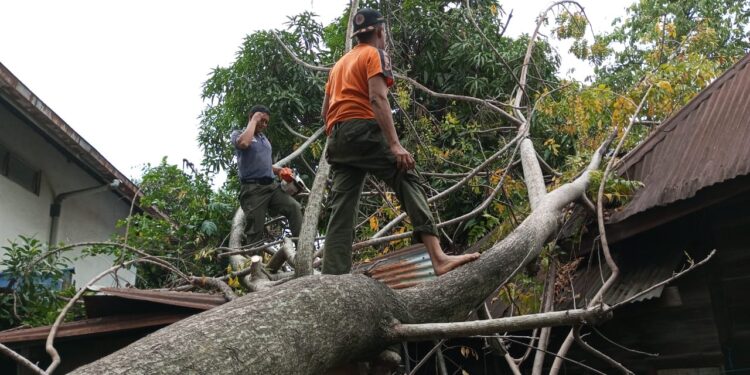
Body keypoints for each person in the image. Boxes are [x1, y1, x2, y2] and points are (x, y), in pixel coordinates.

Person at [320, 8, 480, 276]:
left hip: (337, 137)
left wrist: (342, 136)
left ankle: (332, 276)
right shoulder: (375, 54)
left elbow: (324, 113)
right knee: (406, 177)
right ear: (380, 32)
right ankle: (438, 258)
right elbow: (377, 98)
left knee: (342, 209)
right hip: (362, 129)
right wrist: (394, 144)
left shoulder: (339, 65)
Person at [231, 105, 303, 246]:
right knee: (255, 232)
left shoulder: (263, 138)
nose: (264, 124)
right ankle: (254, 265)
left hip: (272, 186)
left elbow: (264, 164)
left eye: (266, 122)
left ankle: (302, 249)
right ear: (251, 117)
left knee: (294, 207)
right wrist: (254, 120)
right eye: (261, 120)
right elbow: (244, 143)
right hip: (253, 190)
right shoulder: (239, 134)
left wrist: (279, 171)